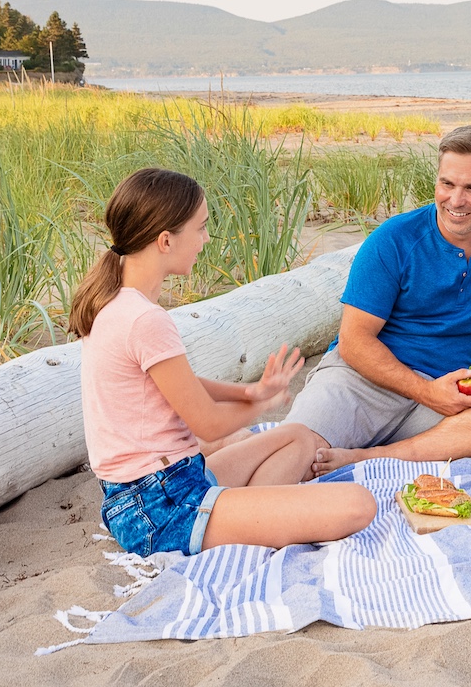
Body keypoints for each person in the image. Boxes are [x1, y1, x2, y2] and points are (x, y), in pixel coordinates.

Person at [69, 167, 376, 556]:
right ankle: (249, 518)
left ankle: (250, 515)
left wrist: (249, 389)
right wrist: (262, 403)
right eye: (200, 228)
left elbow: (179, 382)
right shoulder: (143, 319)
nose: (206, 239)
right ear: (165, 240)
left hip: (168, 483)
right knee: (358, 505)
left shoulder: (117, 301)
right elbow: (209, 425)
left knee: (297, 436)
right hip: (159, 506)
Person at [297, 125, 471, 474]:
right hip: (361, 382)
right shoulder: (393, 239)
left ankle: (374, 458)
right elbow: (353, 342)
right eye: (447, 184)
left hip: (444, 399)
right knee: (300, 457)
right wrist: (427, 391)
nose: (456, 200)